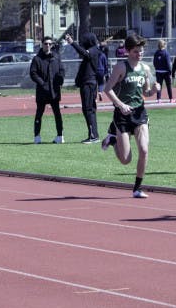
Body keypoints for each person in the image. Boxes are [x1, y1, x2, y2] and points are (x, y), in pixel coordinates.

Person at [101, 34, 159, 198]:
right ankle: (113, 141)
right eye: (135, 51)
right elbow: (107, 89)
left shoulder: (146, 69)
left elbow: (145, 92)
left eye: (141, 51)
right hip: (122, 116)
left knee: (144, 149)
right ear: (127, 51)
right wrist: (121, 105)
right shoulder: (121, 67)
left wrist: (154, 90)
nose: (139, 54)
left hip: (139, 113)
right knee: (126, 159)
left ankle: (137, 188)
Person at [65, 32, 101, 143]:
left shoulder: (94, 50)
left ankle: (93, 136)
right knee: (88, 109)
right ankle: (93, 134)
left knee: (88, 109)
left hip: (89, 83)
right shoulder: (92, 50)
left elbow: (85, 53)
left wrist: (72, 43)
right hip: (87, 83)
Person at [29, 35, 65, 144]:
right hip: (42, 92)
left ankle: (60, 136)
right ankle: (37, 136)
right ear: (42, 44)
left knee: (57, 114)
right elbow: (33, 73)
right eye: (46, 44)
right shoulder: (37, 59)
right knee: (39, 113)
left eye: (50, 44)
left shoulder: (56, 57)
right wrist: (42, 83)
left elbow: (62, 69)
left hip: (54, 91)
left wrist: (60, 79)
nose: (48, 45)